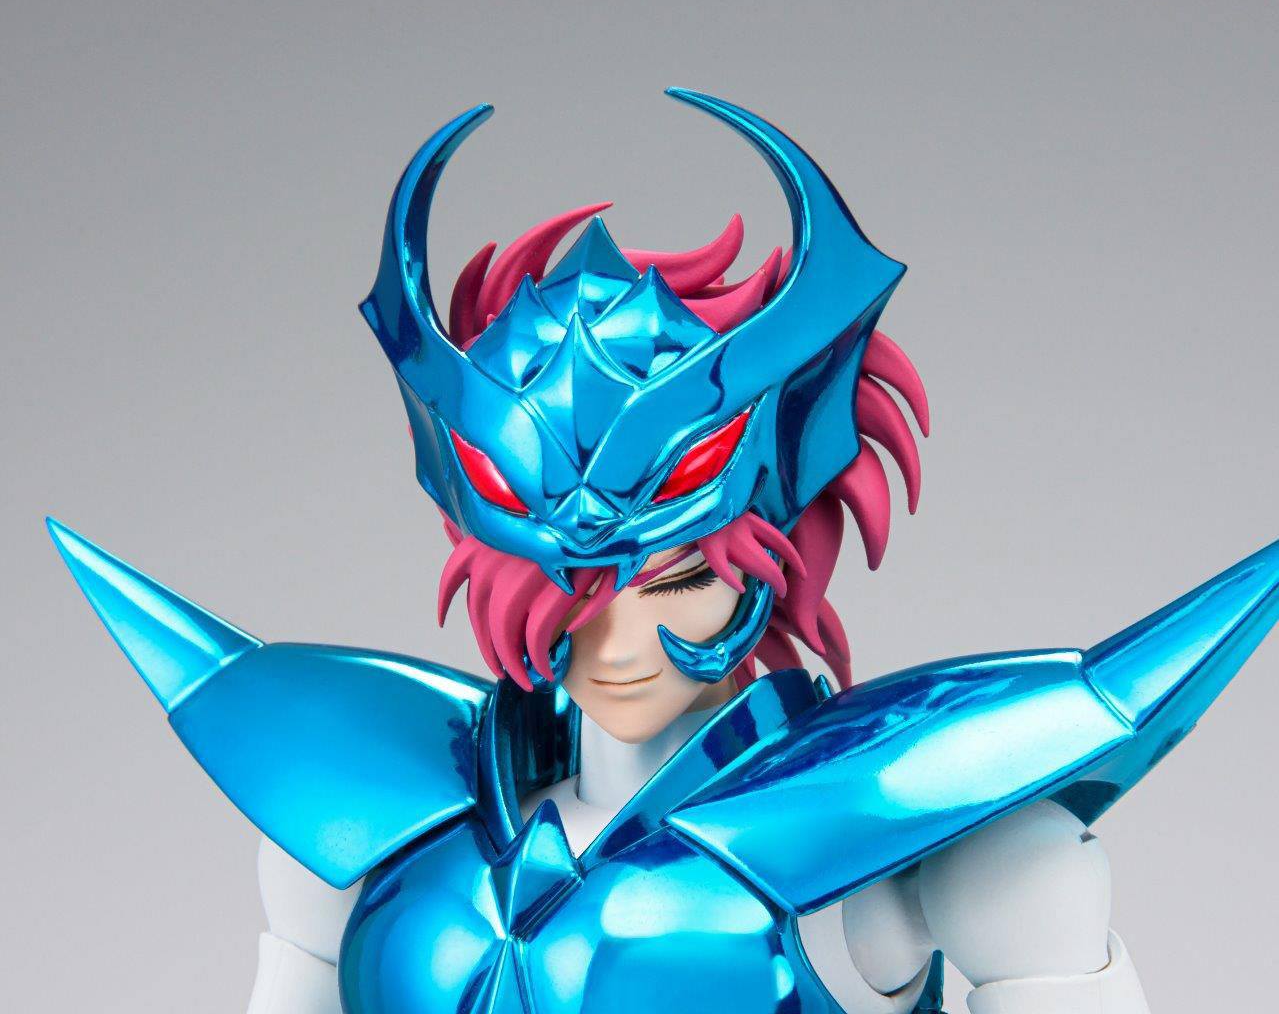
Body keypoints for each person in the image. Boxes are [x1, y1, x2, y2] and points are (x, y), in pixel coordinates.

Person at [49, 89, 1278, 1014]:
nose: (617, 642)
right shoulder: (365, 824)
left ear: (768, 555)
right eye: (570, 591)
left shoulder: (913, 858)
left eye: (675, 581)